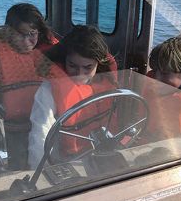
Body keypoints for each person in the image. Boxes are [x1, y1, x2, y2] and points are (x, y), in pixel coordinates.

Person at [28, 25, 117, 169]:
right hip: (67, 163)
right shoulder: (49, 89)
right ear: (64, 59)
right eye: (73, 65)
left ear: (98, 63)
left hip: (105, 155)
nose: (80, 73)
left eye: (88, 67)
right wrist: (40, 173)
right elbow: (40, 134)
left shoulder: (108, 83)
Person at [0, 3, 58, 170]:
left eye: (32, 34)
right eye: (20, 35)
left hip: (44, 129)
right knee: (18, 172)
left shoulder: (46, 57)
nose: (27, 40)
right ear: (9, 32)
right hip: (12, 134)